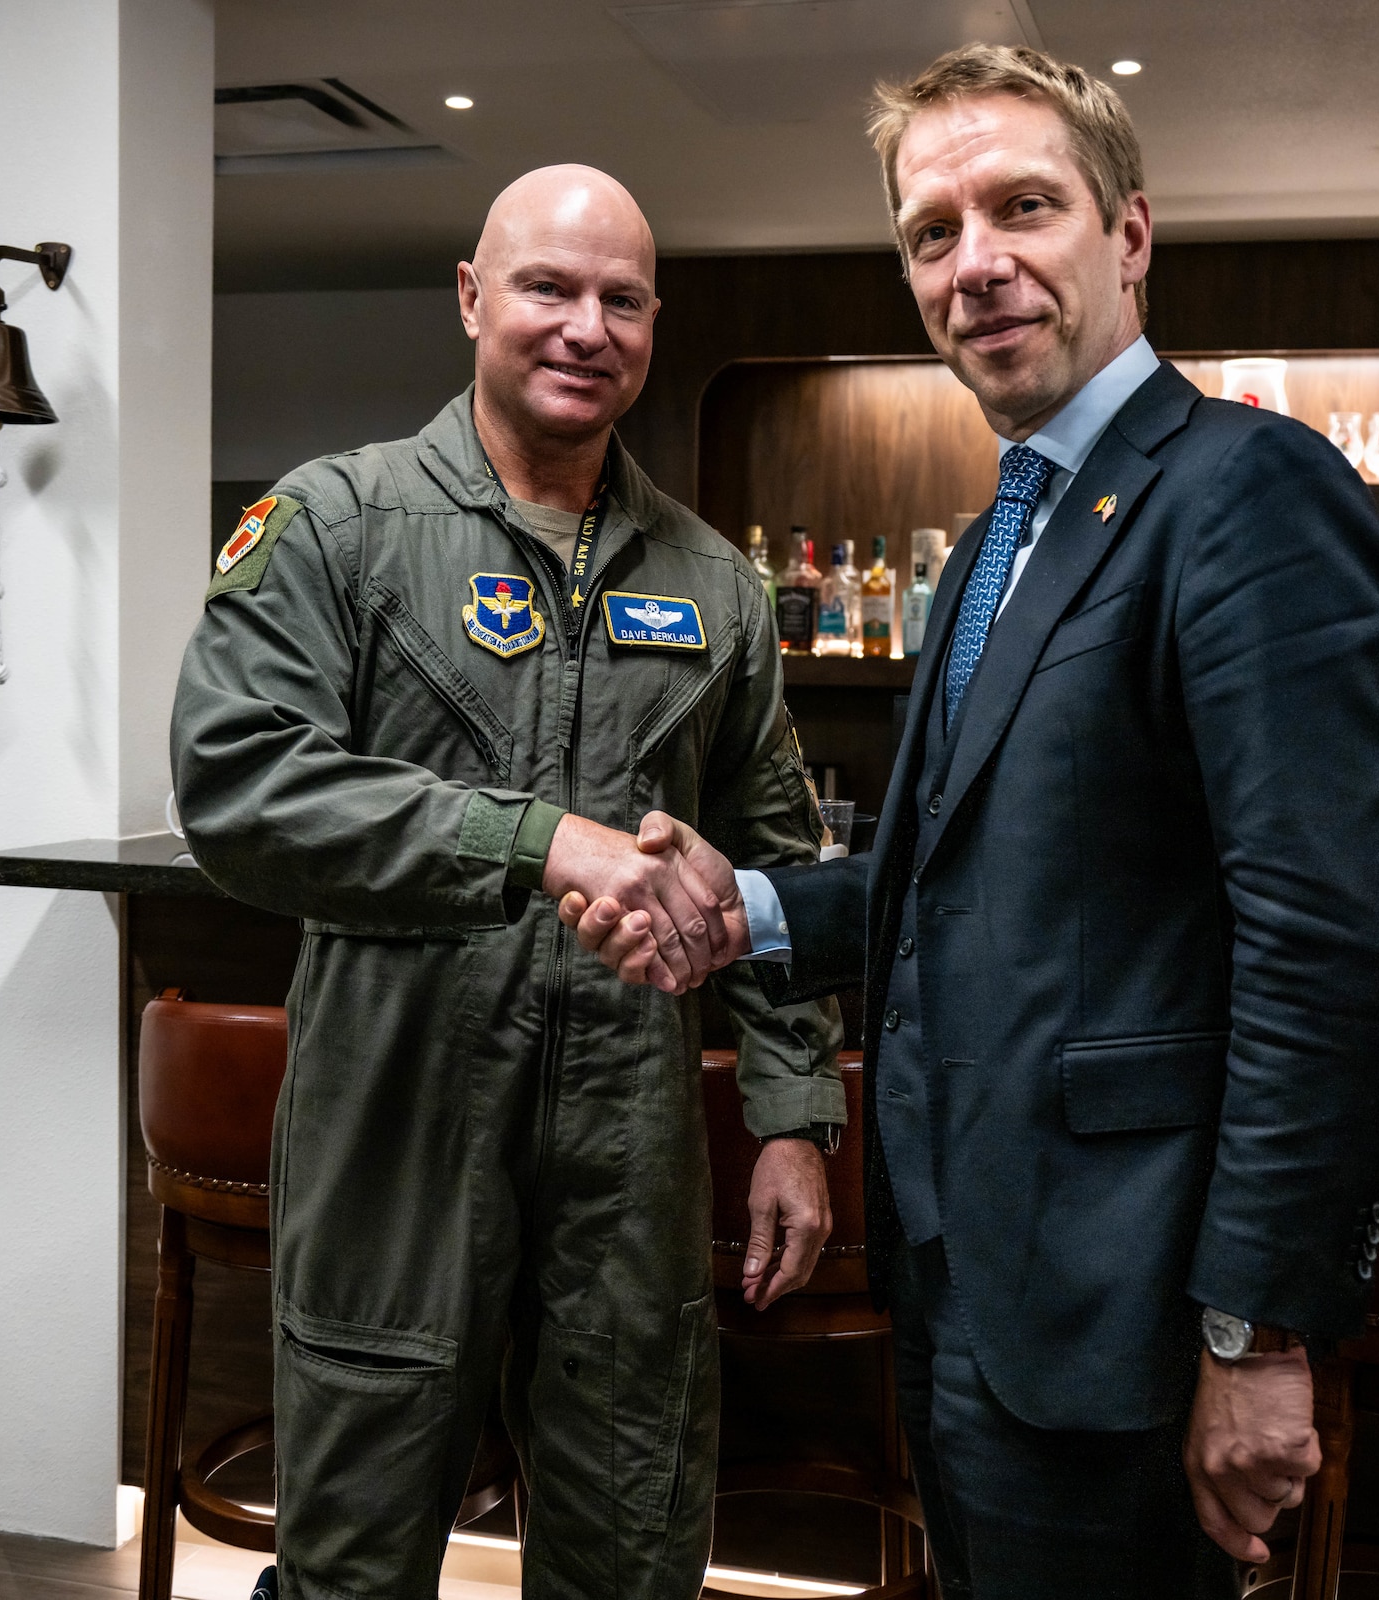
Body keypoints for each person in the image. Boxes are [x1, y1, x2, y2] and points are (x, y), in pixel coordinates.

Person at [564, 45, 1379, 1599]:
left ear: (1130, 236)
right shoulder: (991, 547)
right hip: (968, 1284)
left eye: (1023, 207)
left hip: (1138, 1313)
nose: (978, 265)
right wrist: (740, 908)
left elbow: (1326, 947)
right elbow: (957, 879)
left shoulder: (1247, 491)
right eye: (931, 232)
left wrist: (1260, 1331)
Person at [171, 164, 845, 1600]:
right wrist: (539, 840)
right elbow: (242, 786)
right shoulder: (338, 527)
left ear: (655, 324)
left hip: (630, 1148)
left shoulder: (717, 584)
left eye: (621, 299)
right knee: (352, 1557)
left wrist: (793, 1115)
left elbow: (776, 867)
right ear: (474, 298)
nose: (584, 326)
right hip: (395, 1118)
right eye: (548, 286)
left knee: (635, 1552)